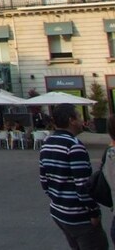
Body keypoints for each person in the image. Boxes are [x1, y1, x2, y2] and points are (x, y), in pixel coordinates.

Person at [39, 103, 107, 249]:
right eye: (80, 116)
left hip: (59, 212)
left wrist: (58, 199)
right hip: (79, 216)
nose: (83, 120)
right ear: (72, 120)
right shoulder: (74, 146)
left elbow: (44, 182)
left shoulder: (47, 143)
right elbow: (83, 185)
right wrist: (94, 212)